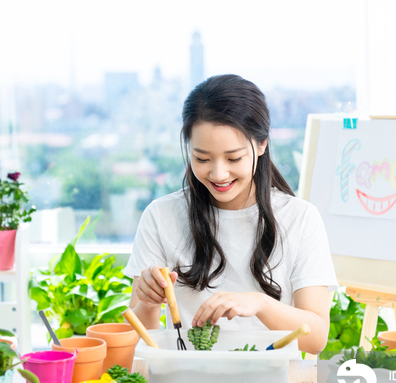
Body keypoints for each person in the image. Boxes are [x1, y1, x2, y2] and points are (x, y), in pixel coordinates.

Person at [122, 74, 337, 354]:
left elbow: (316, 337)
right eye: (202, 158)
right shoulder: (161, 215)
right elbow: (136, 338)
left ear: (262, 145)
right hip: (190, 378)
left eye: (233, 158)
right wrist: (147, 301)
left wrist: (259, 304)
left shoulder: (300, 218)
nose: (218, 173)